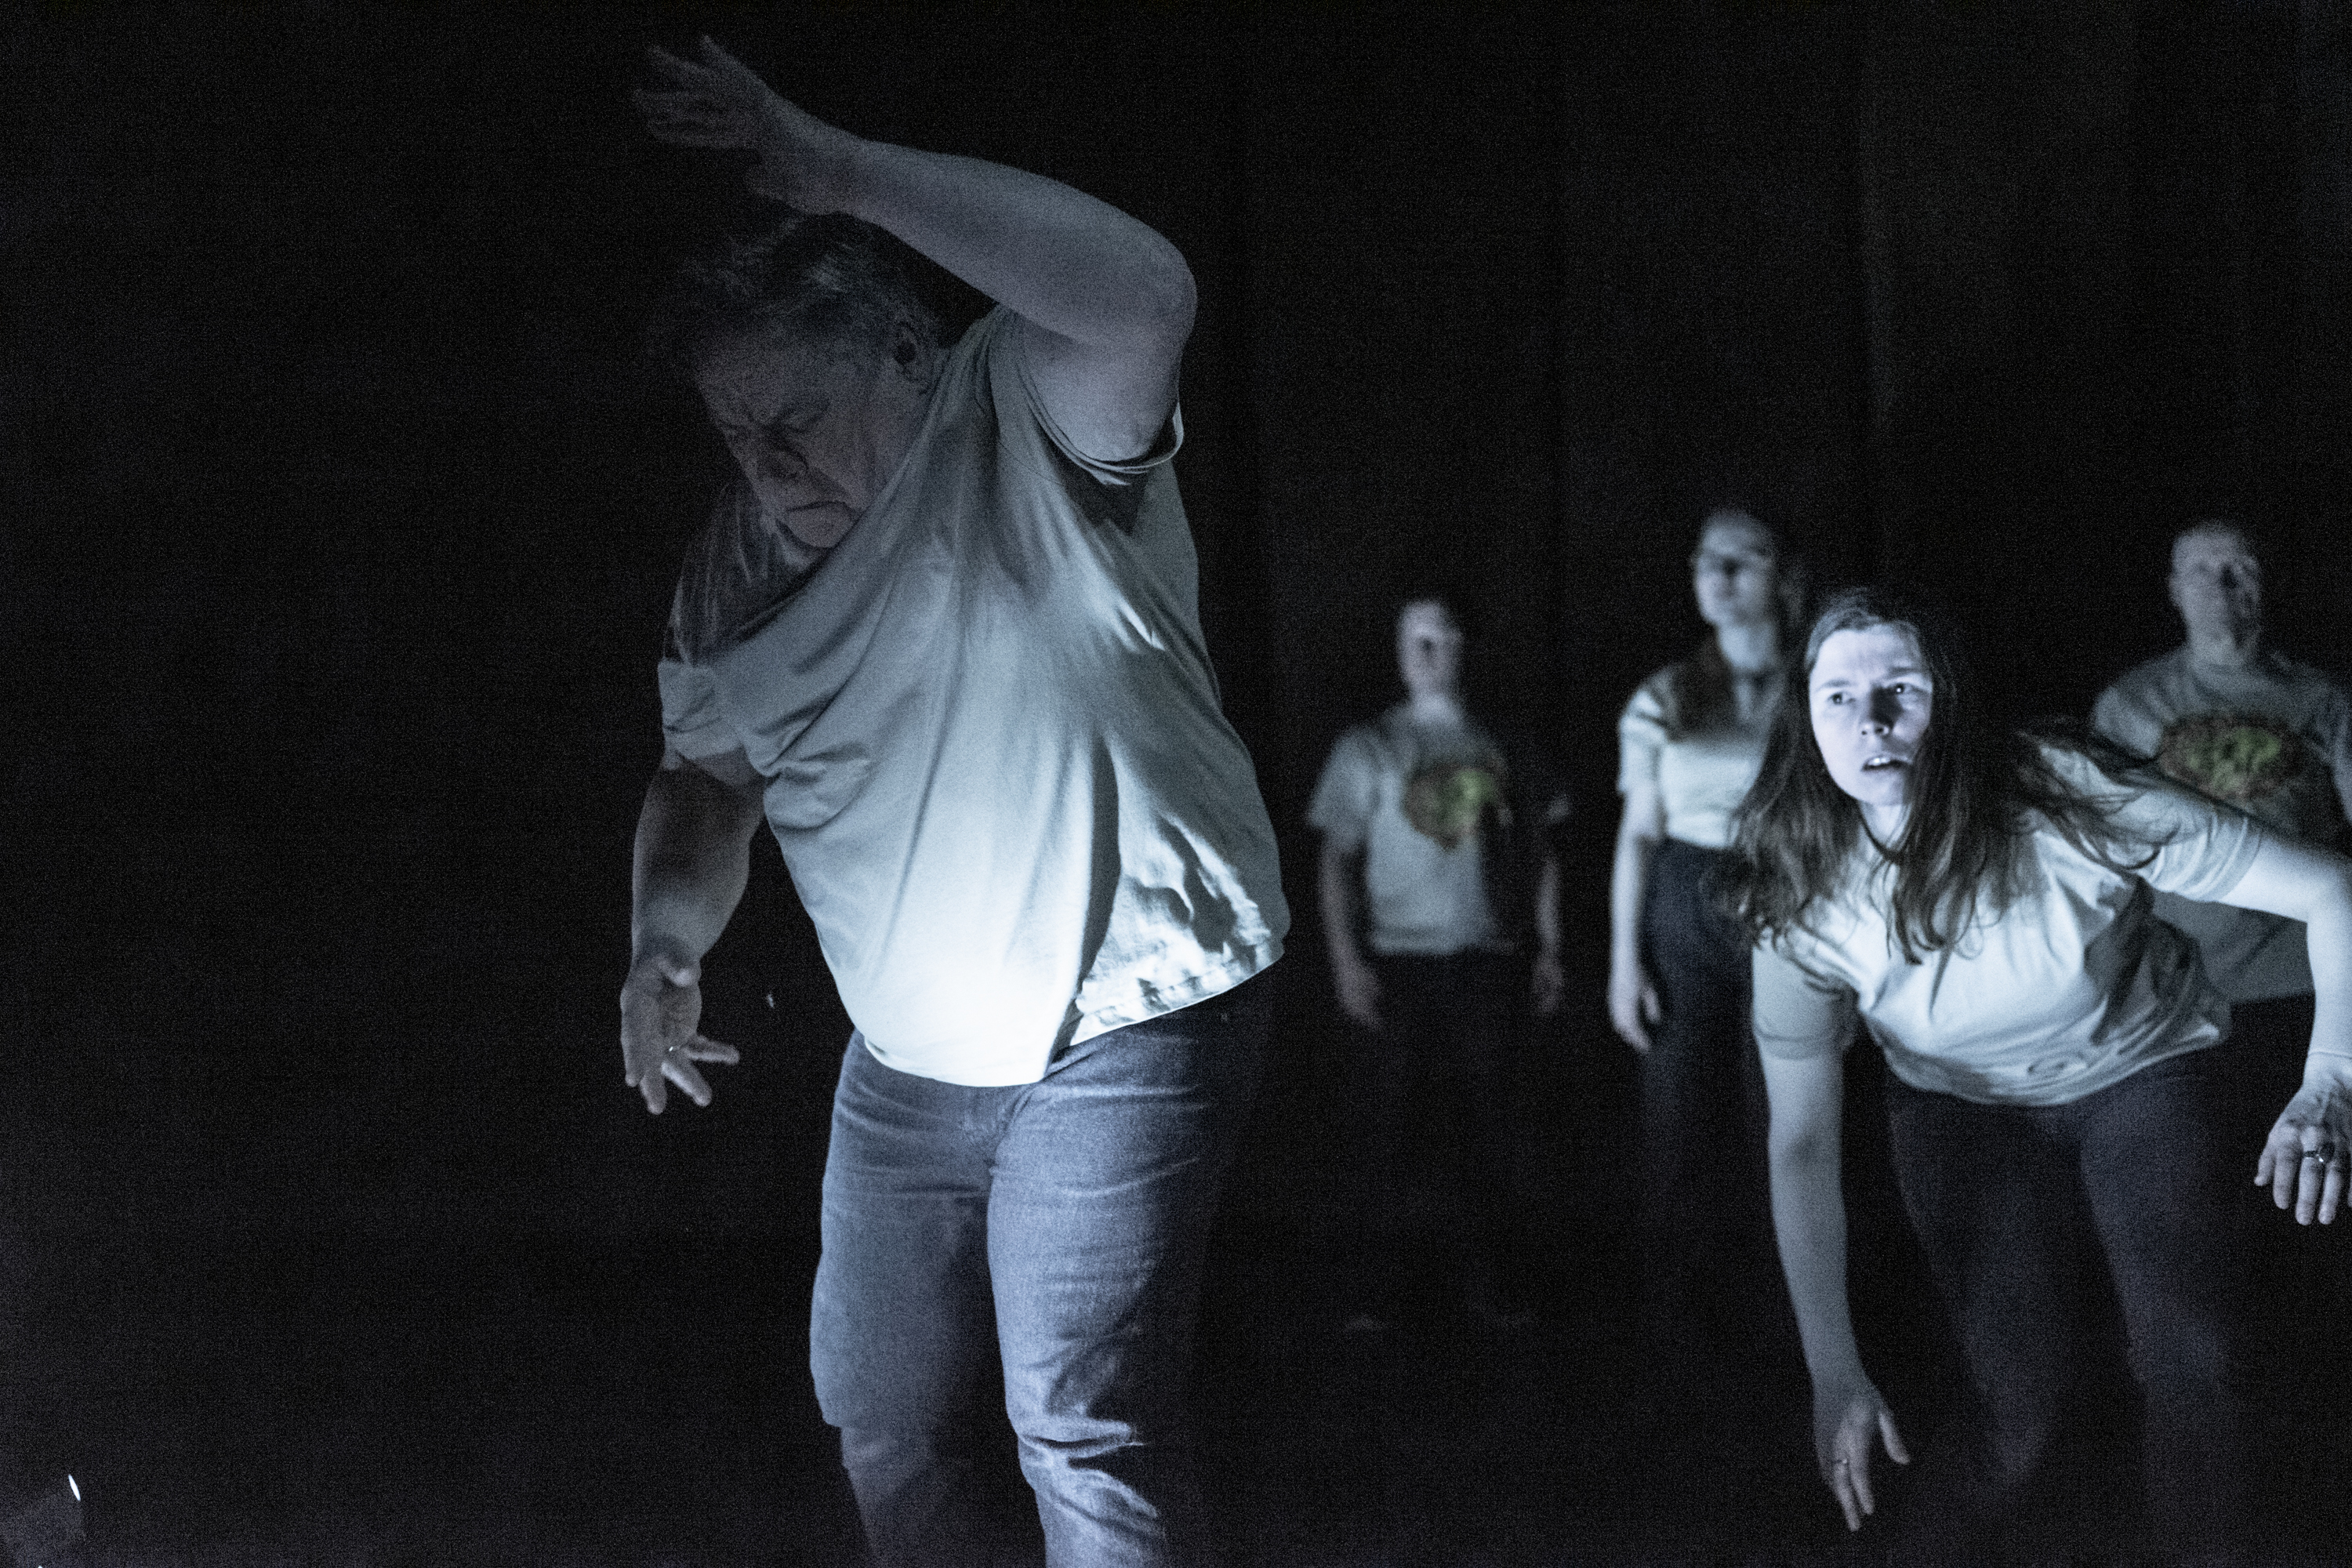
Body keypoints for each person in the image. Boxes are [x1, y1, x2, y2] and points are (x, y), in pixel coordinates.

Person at [620, 39, 1287, 1567]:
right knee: (878, 1405)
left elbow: (1150, 296)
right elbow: (706, 776)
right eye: (737, 435)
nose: (767, 466)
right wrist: (663, 941)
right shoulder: (729, 575)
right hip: (911, 1057)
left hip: (1132, 1009)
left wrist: (843, 171)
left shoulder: (1021, 408)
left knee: (1083, 1422)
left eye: (796, 418)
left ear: (905, 354)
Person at [1727, 586, 2352, 1561]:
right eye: (1838, 697)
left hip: (2139, 1067)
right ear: (1806, 722)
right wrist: (1833, 1368)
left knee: (2196, 1363)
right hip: (1960, 1102)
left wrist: (2331, 1078)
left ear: (1952, 699)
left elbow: (2329, 886)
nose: (1872, 721)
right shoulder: (1799, 884)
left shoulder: (2067, 793)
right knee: (2024, 1406)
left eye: (1901, 688)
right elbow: (1802, 1139)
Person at [1306, 595, 1567, 1330]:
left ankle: (1495, 1291)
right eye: (1417, 639)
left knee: (1492, 1131)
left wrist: (1550, 947)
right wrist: (1345, 962)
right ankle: (1374, 1295)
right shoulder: (1369, 746)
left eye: (1444, 638)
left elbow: (1545, 853)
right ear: (1398, 650)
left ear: (1464, 647)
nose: (1432, 652)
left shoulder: (1507, 742)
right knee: (1386, 1130)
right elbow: (1336, 860)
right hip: (1399, 963)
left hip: (1488, 962)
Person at [1607, 508, 1802, 1389]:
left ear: (1782, 574)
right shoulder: (1667, 693)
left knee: (1785, 1121)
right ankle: (1678, 1342)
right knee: (1679, 1122)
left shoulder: (1820, 683)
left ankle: (1789, 1333)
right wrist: (1623, 962)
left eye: (1741, 559)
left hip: (1791, 895)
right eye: (1704, 561)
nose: (1718, 576)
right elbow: (1638, 832)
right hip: (1685, 903)